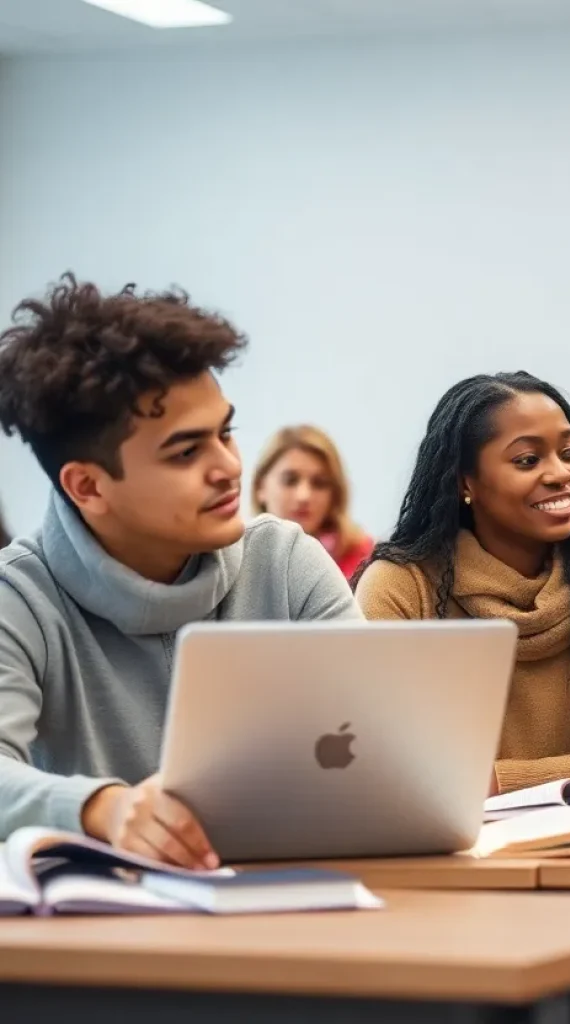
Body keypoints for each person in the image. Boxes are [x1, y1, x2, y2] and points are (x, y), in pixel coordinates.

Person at [0, 274, 361, 866]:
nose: (227, 468)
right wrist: (104, 808)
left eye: (226, 432)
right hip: (108, 937)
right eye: (187, 451)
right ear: (88, 486)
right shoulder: (18, 595)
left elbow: (381, 739)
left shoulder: (288, 560)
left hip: (303, 898)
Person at [355, 372, 570, 802]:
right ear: (466, 481)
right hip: (457, 860)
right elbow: (385, 770)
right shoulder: (402, 588)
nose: (562, 474)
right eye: (527, 460)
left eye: (569, 452)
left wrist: (488, 783)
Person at [251, 424, 373, 581]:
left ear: (335, 494)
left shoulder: (366, 564)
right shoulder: (236, 562)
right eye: (290, 481)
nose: (304, 496)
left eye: (319, 483)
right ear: (260, 487)